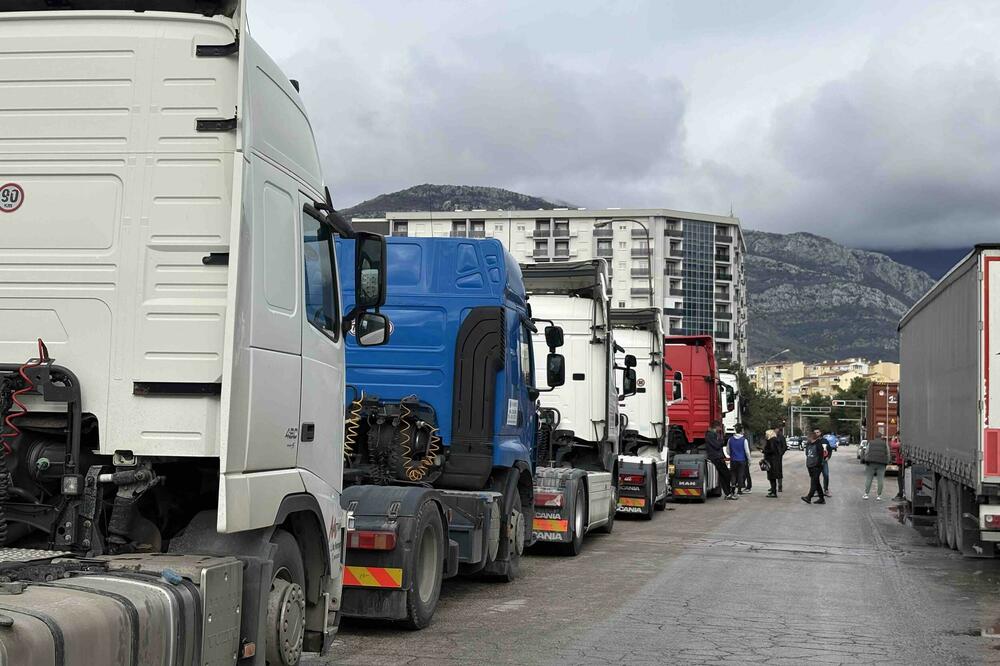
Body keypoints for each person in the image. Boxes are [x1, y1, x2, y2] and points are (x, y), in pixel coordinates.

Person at [705, 420, 736, 500]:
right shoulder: (710, 435)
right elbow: (717, 445)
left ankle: (728, 494)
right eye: (719, 427)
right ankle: (729, 493)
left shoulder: (712, 434)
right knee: (727, 475)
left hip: (718, 457)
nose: (720, 429)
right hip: (716, 458)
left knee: (723, 476)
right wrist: (724, 441)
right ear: (716, 427)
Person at [801, 430, 827, 504]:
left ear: (812, 437)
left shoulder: (818, 444)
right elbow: (806, 453)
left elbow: (820, 456)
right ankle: (821, 498)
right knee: (816, 482)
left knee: (813, 482)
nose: (807, 439)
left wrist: (817, 464)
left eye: (808, 437)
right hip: (810, 465)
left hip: (816, 466)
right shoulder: (809, 444)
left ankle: (809, 497)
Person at [864, 432, 891, 500]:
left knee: (869, 478)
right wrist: (887, 461)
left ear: (875, 437)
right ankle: (879, 496)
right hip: (881, 464)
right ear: (881, 437)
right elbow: (888, 453)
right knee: (880, 479)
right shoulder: (885, 444)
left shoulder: (871, 443)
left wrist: (866, 460)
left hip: (871, 463)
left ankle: (866, 494)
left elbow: (866, 452)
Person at [727, 425, 751, 494]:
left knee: (733, 474)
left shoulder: (730, 439)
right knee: (740, 474)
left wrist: (731, 455)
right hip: (742, 460)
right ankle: (739, 490)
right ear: (741, 431)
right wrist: (749, 460)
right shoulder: (744, 440)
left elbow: (728, 450)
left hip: (733, 459)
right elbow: (747, 451)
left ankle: (733, 488)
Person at [763, 428, 782, 498]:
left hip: (771, 461)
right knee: (772, 477)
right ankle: (773, 491)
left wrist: (764, 451)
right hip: (774, 460)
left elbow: (771, 450)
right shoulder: (775, 440)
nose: (765, 435)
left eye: (766, 434)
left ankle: (773, 492)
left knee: (772, 477)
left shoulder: (771, 440)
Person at [822, 432, 837, 497]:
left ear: (820, 433)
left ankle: (826, 490)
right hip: (815, 462)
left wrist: (828, 457)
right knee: (815, 477)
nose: (816, 433)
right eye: (815, 432)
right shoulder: (813, 441)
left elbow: (830, 450)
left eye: (818, 432)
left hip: (824, 461)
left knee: (826, 475)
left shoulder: (825, 441)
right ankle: (815, 490)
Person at [890, 432, 904, 500]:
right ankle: (901, 493)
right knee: (900, 479)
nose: (897, 437)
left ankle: (901, 493)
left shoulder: (902, 443)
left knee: (900, 479)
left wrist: (893, 440)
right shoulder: (900, 442)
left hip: (902, 464)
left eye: (898, 436)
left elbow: (893, 446)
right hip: (901, 463)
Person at [775, 425, 788, 492]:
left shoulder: (781, 437)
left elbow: (785, 446)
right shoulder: (772, 437)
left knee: (779, 471)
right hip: (772, 456)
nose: (775, 430)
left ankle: (780, 485)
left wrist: (781, 453)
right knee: (772, 471)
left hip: (778, 456)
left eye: (776, 429)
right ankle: (773, 486)